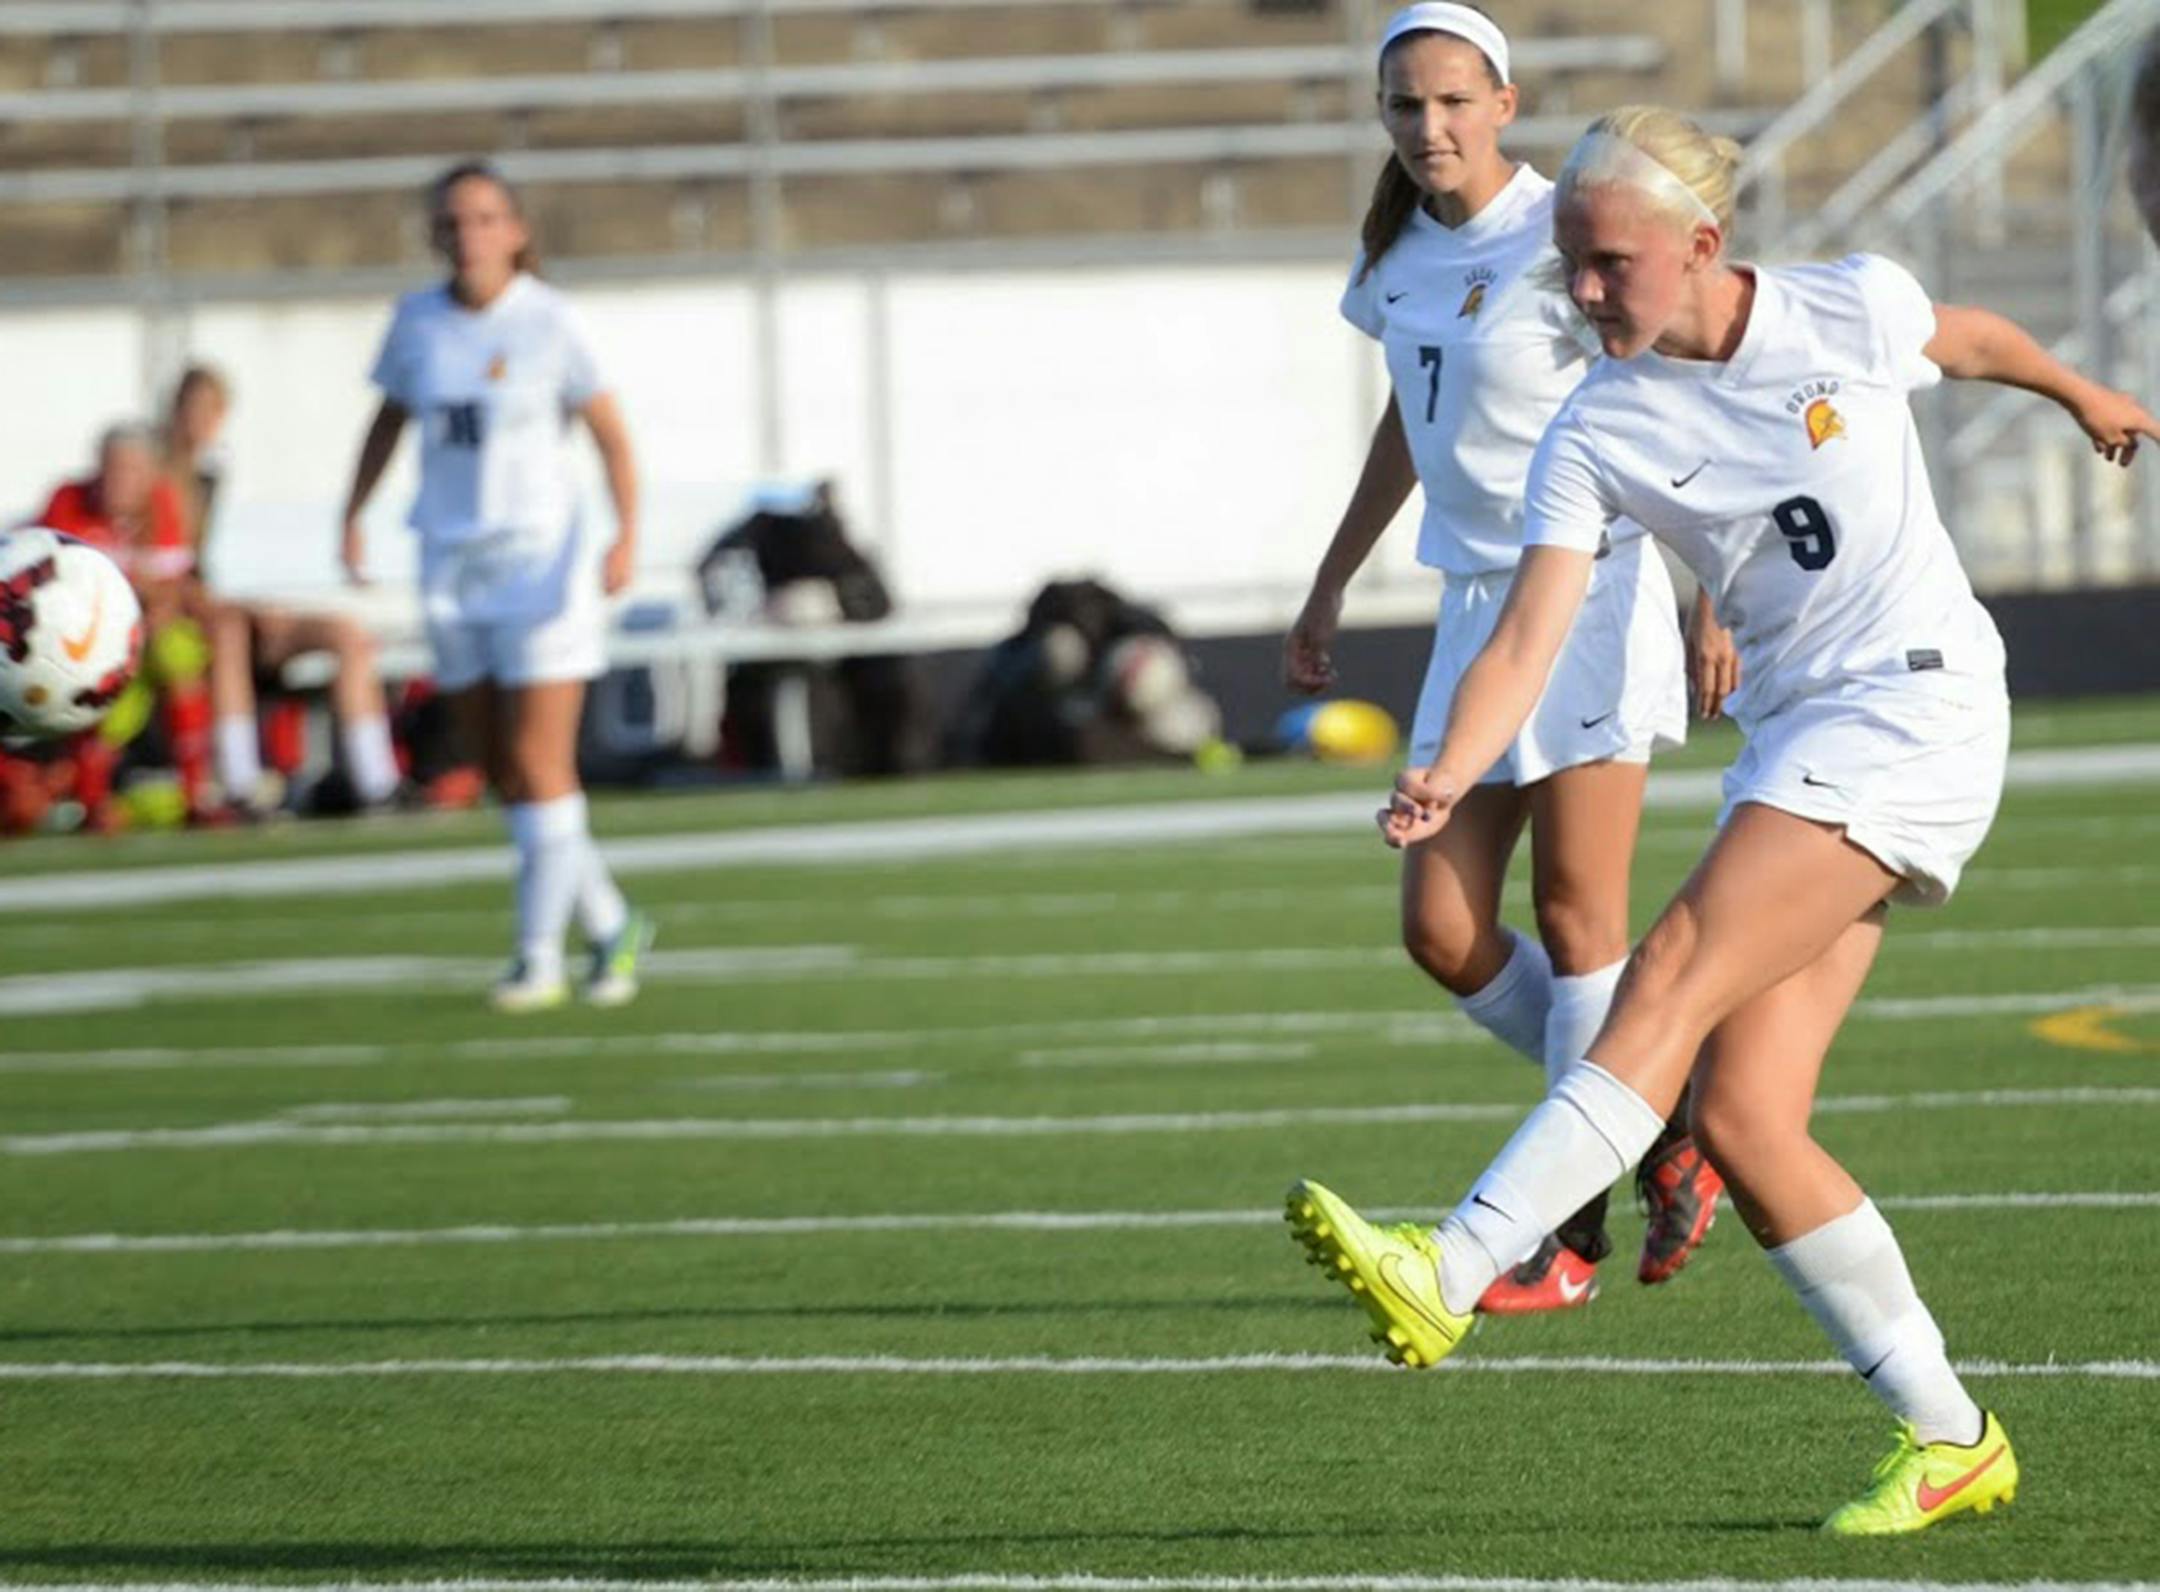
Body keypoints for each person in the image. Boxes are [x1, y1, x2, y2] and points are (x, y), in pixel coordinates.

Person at [1286, 105, 2160, 1534]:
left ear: (1703, 247)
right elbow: (1525, 637)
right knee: (1750, 1122)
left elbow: (1973, 337)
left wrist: (2079, 393)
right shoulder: (1594, 423)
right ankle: (1955, 1439)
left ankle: (1450, 1272)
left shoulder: (1846, 309)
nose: (1580, 292)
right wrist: (1450, 763)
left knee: (1669, 974)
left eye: (1608, 265)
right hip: (1800, 738)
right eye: (1567, 265)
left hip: (1917, 706)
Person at [1282, 2, 1723, 1311]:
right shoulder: (1396, 250)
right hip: (1474, 611)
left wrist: (1714, 597)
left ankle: (1565, 1236)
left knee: (1581, 920)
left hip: (1592, 593)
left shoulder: (1561, 231)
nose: (1431, 126)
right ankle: (1666, 1111)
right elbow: (1414, 425)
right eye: (1407, 106)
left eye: (1455, 101)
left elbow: (1669, 399)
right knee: (1442, 926)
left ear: (1506, 103)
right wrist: (1332, 579)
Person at [339, 159, 650, 1011]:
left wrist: (626, 535)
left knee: (541, 761)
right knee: (498, 767)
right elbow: (390, 419)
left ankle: (538, 957)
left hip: (541, 562)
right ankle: (613, 923)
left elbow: (613, 437)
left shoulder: (551, 323)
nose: (468, 236)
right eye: (454, 222)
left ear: (516, 231)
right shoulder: (417, 324)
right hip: (451, 563)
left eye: (484, 219)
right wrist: (354, 512)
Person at [160, 364, 404, 817]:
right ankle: (241, 783)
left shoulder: (224, 469)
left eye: (208, 410)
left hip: (262, 613)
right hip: (215, 619)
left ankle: (378, 783)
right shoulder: (164, 481)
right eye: (190, 408)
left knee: (350, 636)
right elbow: (176, 571)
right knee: (229, 631)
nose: (198, 421)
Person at [36, 423, 214, 829]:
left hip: (146, 634)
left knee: (176, 651)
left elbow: (172, 591)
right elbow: (58, 586)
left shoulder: (161, 506)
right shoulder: (69, 503)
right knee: (100, 664)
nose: (120, 479)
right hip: (78, 636)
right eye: (113, 468)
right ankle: (92, 798)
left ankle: (195, 791)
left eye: (132, 469)